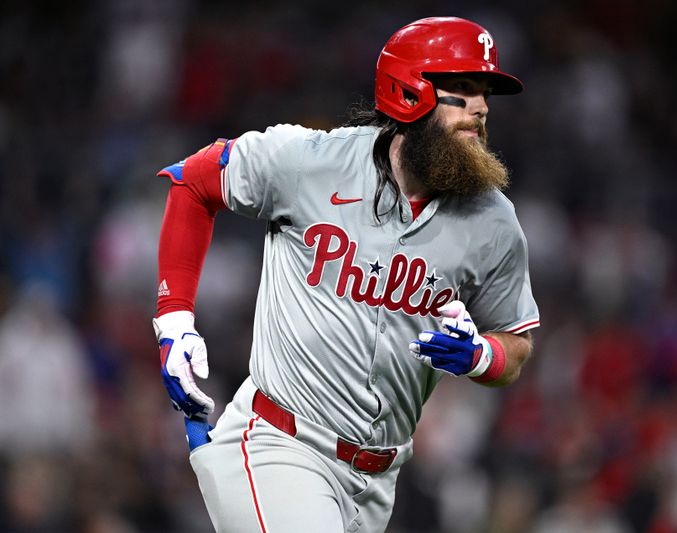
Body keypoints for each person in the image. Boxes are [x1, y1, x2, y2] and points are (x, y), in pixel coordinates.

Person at [152, 16, 540, 533]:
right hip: (281, 445)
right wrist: (173, 320)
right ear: (410, 91)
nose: (482, 107)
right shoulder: (310, 161)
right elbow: (193, 181)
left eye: (485, 92)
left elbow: (516, 342)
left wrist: (480, 355)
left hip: (378, 482)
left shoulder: (492, 221)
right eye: (463, 89)